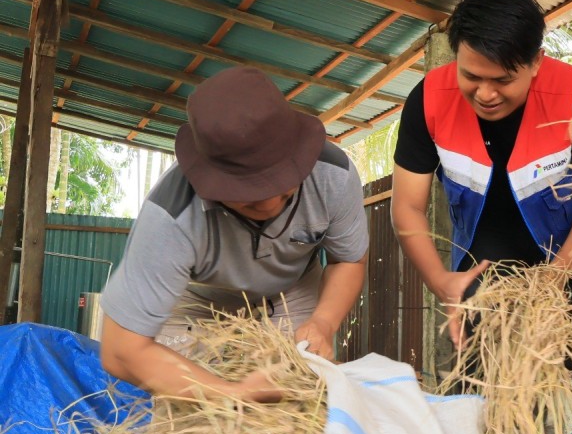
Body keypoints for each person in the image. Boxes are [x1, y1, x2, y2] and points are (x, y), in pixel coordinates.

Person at [390, 0, 572, 434]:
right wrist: (442, 282)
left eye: (503, 80)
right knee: (481, 399)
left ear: (535, 62)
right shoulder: (429, 99)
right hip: (483, 269)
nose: (486, 94)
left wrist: (555, 278)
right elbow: (407, 206)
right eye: (472, 76)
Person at [99, 66, 369, 402]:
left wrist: (324, 321)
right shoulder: (171, 216)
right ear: (209, 179)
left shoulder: (335, 176)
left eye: (285, 188)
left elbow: (349, 260)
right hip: (198, 300)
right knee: (191, 407)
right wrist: (229, 395)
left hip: (292, 292)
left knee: (299, 398)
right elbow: (120, 349)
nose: (270, 204)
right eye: (250, 194)